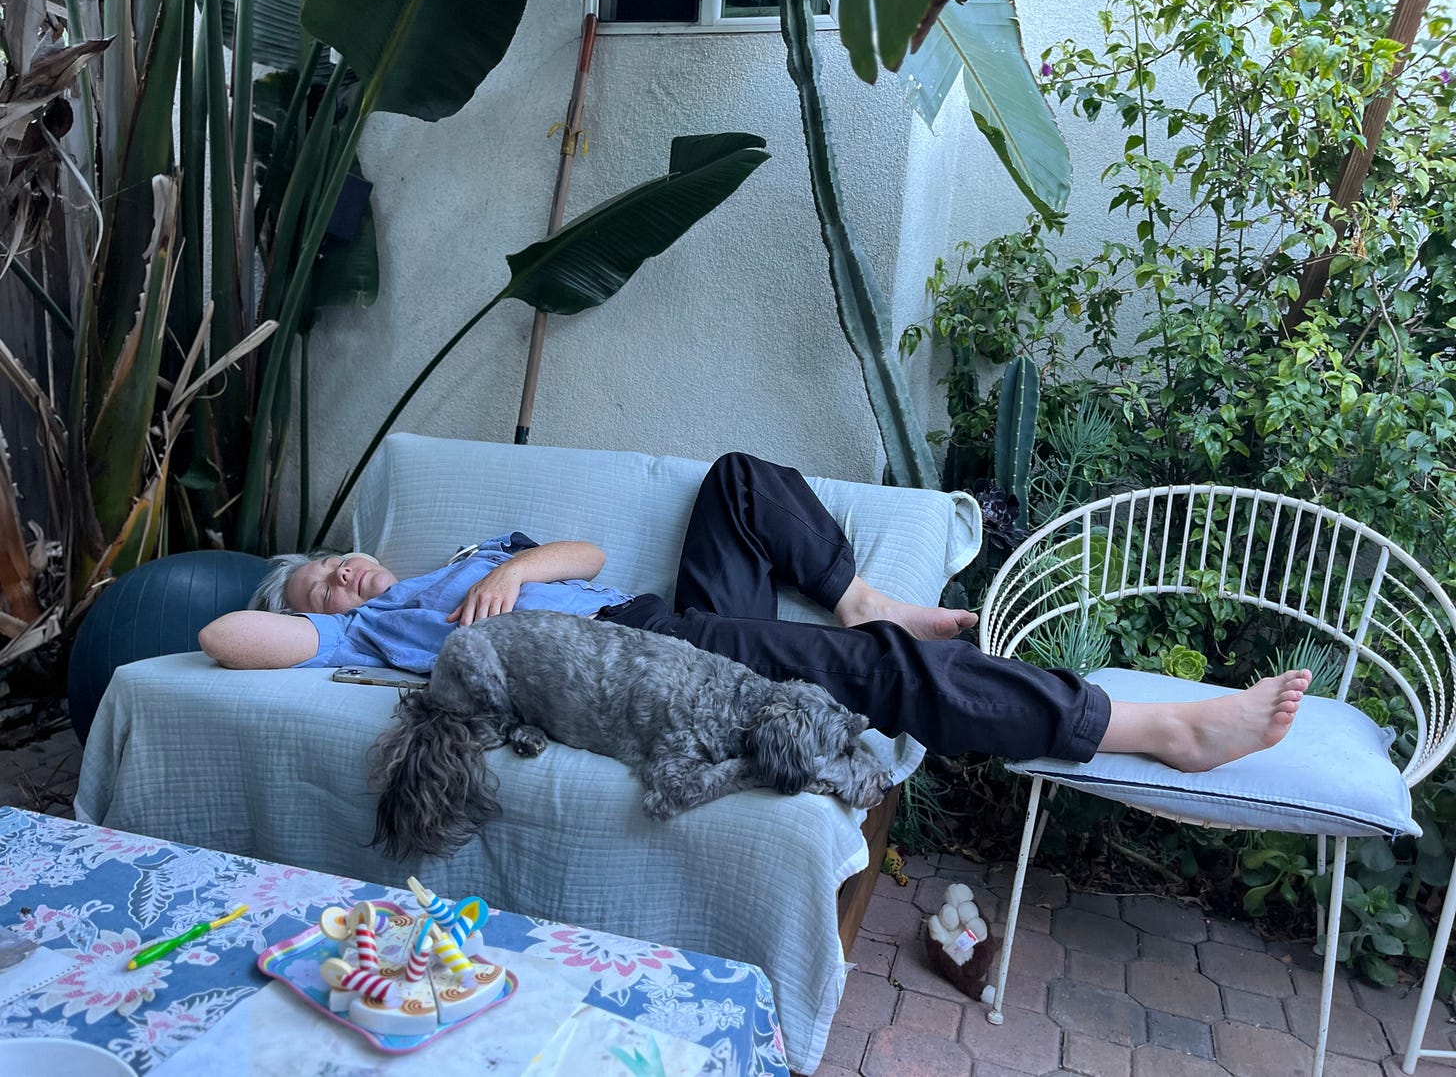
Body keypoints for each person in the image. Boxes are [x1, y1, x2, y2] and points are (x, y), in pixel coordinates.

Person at [199, 452, 1309, 771]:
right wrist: (301, 610)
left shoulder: (467, 555)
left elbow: (579, 550)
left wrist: (515, 574)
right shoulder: (365, 636)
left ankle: (862, 597)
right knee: (871, 675)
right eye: (315, 588)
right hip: (632, 660)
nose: (338, 581)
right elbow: (223, 639)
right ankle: (1156, 729)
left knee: (737, 480)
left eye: (337, 565)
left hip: (640, 612)